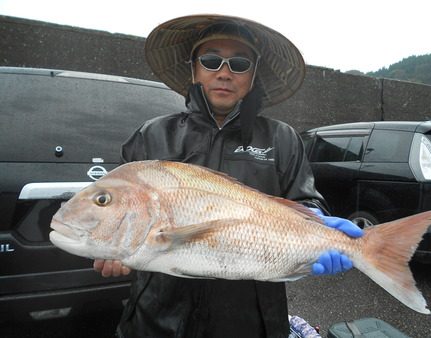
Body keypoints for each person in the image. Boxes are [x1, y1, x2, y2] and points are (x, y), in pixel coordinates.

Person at [94, 14, 363, 338]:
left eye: (239, 63)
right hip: (155, 322)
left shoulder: (282, 139)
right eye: (211, 60)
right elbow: (115, 205)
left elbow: (305, 199)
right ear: (193, 67)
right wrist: (107, 244)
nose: (224, 72)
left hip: (253, 324)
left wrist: (318, 222)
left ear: (253, 75)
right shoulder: (153, 134)